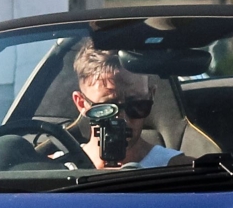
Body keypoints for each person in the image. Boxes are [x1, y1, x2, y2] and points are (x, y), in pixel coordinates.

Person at [65, 40, 179, 169]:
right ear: (81, 103)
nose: (123, 119)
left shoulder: (181, 170)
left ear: (151, 96)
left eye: (137, 104)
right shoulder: (55, 170)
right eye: (108, 107)